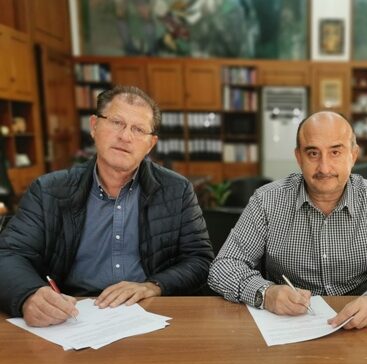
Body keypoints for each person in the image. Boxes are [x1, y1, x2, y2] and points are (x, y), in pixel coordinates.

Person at [0, 86, 214, 326]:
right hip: (71, 315)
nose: (125, 136)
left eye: (138, 129)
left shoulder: (177, 190)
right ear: (94, 126)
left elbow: (200, 260)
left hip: (150, 313)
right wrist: (29, 294)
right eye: (116, 122)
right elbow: (8, 254)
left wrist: (153, 286)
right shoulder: (48, 191)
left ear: (150, 144)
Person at [209, 111, 367, 329]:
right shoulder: (267, 200)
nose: (324, 168)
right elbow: (224, 266)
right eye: (313, 153)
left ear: (353, 155)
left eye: (335, 152)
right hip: (287, 325)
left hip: (359, 326)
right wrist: (266, 293)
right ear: (298, 157)